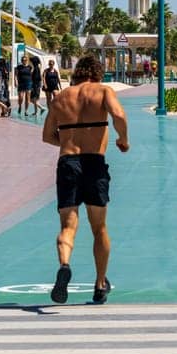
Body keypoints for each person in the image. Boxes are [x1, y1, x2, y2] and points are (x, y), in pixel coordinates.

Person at [41, 52, 129, 306]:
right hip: (94, 163)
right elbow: (120, 116)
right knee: (99, 227)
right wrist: (123, 139)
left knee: (68, 227)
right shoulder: (102, 91)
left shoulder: (61, 98)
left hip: (68, 163)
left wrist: (67, 142)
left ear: (77, 73)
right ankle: (100, 283)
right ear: (97, 74)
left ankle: (65, 265)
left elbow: (47, 135)